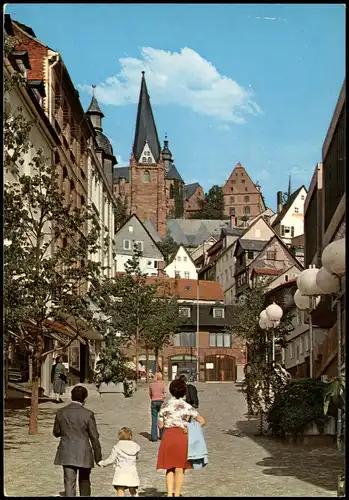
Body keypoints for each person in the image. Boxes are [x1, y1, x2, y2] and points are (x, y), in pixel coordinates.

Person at [157, 379, 205, 497]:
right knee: (180, 468)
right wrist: (189, 427)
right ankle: (177, 494)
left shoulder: (164, 405)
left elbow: (160, 425)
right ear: (184, 392)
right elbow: (201, 421)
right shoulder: (186, 406)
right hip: (182, 437)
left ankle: (169, 494)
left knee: (169, 468)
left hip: (168, 436)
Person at [53, 385, 102, 497]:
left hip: (67, 451)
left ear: (71, 397)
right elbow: (94, 436)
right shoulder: (88, 414)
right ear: (85, 398)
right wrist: (98, 457)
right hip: (84, 452)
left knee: (69, 482)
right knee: (84, 481)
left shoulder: (61, 412)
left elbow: (56, 432)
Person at [98, 427, 140, 497]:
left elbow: (111, 460)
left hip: (121, 472)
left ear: (119, 436)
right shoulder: (136, 447)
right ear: (130, 436)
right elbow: (137, 457)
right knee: (132, 489)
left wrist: (102, 463)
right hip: (132, 472)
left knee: (120, 489)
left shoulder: (117, 447)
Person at [149, 371, 166, 442]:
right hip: (161, 402)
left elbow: (150, 394)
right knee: (161, 419)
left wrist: (153, 398)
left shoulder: (151, 385)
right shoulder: (163, 384)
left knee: (154, 419)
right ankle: (162, 436)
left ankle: (154, 437)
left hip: (154, 402)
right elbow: (164, 394)